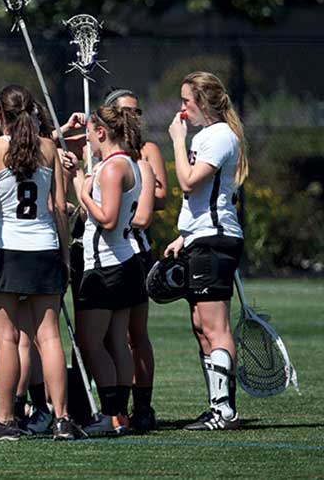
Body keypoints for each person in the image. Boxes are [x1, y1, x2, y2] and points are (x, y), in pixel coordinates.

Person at [0, 85, 84, 441]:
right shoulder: (49, 148)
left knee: (7, 338)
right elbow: (59, 208)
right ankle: (62, 419)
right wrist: (64, 255)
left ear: (0, 115)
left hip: (6, 250)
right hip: (44, 247)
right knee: (48, 336)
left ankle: (7, 421)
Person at [165, 71, 248, 431]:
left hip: (216, 239)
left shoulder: (218, 136)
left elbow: (187, 181)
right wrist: (185, 235)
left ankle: (224, 409)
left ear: (203, 102)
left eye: (186, 101)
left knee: (215, 327)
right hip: (202, 236)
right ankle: (216, 404)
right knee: (201, 324)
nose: (182, 109)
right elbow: (200, 199)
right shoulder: (208, 135)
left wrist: (177, 141)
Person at [70, 104, 147, 435]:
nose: (86, 138)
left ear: (101, 132)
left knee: (91, 342)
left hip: (107, 266)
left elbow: (108, 218)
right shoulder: (124, 163)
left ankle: (111, 413)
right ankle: (119, 415)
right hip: (122, 261)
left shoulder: (114, 168)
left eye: (89, 131)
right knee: (116, 340)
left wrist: (83, 193)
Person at [103, 88, 167, 430]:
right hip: (101, 252)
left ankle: (142, 406)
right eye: (124, 112)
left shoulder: (144, 153)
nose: (132, 119)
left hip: (132, 249)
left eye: (136, 112)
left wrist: (132, 189)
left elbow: (156, 201)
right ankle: (110, 406)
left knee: (133, 333)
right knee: (105, 333)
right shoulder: (103, 153)